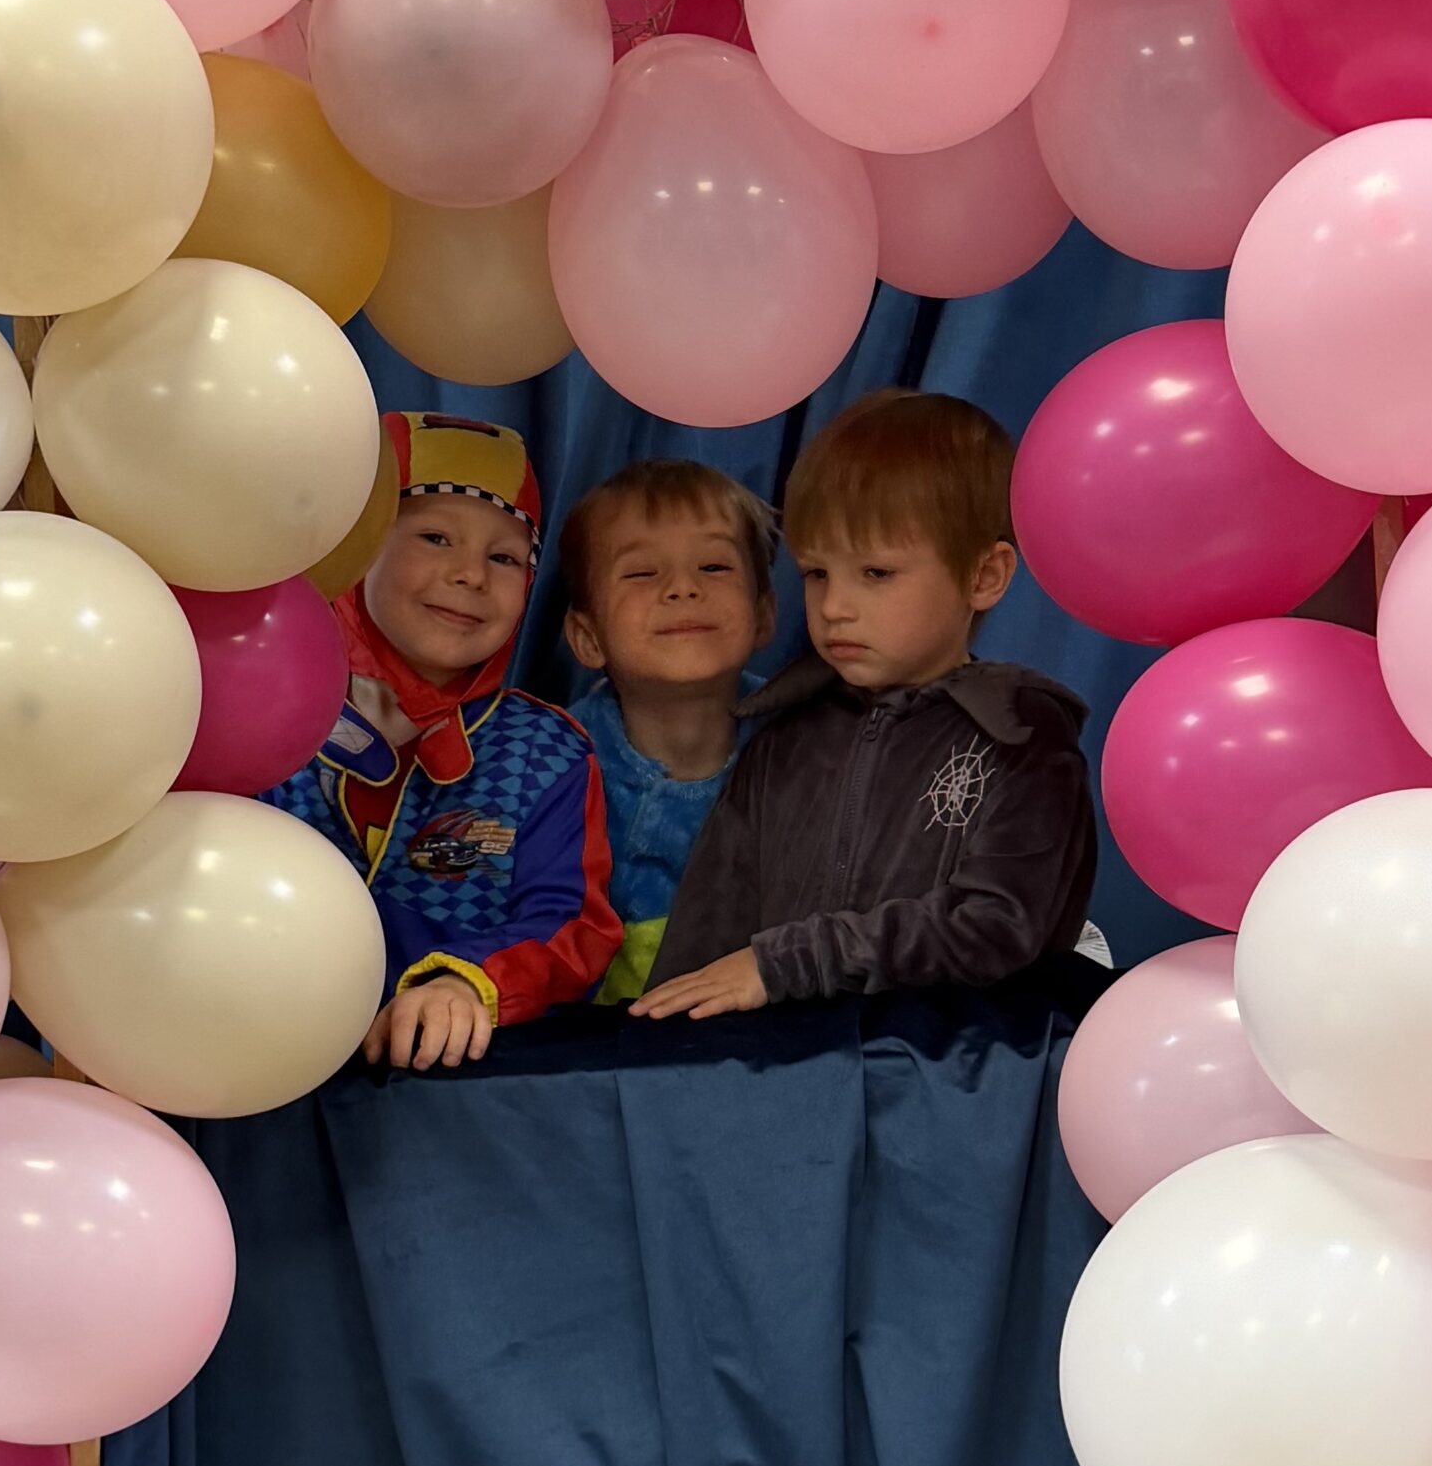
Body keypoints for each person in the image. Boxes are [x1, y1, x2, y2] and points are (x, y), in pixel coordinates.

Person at [633, 388, 1098, 1021]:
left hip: (953, 1071)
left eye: (876, 573)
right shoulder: (783, 738)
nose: (833, 608)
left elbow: (998, 929)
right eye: (817, 573)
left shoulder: (1021, 738)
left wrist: (790, 962)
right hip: (782, 1072)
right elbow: (705, 941)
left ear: (984, 576)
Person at [271, 413, 618, 1069]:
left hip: (443, 1094)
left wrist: (465, 983)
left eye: (505, 557)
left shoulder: (548, 752)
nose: (471, 576)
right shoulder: (263, 716)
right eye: (435, 537)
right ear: (356, 548)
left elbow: (571, 925)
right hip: (242, 1073)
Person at [556, 458, 778, 1002]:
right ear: (587, 638)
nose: (683, 588)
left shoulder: (811, 748)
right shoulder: (549, 762)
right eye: (641, 573)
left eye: (714, 567)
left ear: (764, 615)